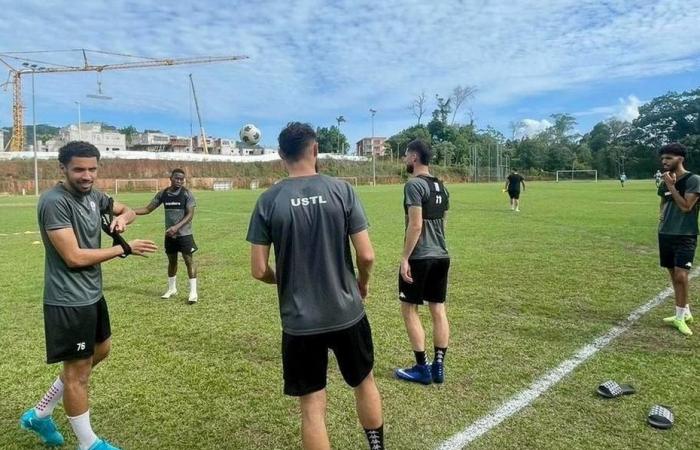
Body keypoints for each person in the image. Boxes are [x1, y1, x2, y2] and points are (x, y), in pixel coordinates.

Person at [246, 122, 384, 450]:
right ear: (315, 149)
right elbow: (366, 255)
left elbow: (258, 269)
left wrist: (286, 276)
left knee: (311, 407)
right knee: (364, 382)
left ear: (281, 155)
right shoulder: (342, 190)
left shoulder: (268, 200)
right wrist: (361, 284)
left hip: (299, 321)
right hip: (347, 311)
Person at [20, 141, 157, 450]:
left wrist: (122, 219)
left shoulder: (94, 196)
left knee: (101, 350)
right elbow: (74, 257)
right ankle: (88, 444)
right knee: (77, 373)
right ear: (63, 169)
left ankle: (40, 413)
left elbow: (127, 209)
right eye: (79, 169)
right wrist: (124, 247)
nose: (86, 176)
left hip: (91, 294)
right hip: (67, 300)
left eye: (92, 169)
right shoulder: (55, 201)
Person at [395, 139, 451, 385]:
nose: (405, 159)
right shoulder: (441, 186)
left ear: (415, 157)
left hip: (421, 257)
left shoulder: (414, 185)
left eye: (407, 155)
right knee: (438, 309)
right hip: (441, 255)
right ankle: (439, 365)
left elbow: (416, 224)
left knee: (409, 309)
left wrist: (405, 257)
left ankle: (421, 368)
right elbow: (444, 222)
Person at [134, 168, 199, 304]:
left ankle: (193, 292)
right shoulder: (163, 194)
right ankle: (172, 289)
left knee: (188, 260)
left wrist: (176, 227)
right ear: (171, 178)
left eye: (182, 179)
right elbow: (148, 209)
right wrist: (129, 212)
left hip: (184, 235)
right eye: (177, 178)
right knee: (172, 261)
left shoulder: (187, 194)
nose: (179, 181)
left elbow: (190, 215)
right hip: (170, 236)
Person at [657, 143, 699, 336]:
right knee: (674, 276)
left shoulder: (693, 180)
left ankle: (680, 318)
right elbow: (663, 202)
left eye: (669, 158)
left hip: (685, 234)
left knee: (682, 276)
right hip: (666, 233)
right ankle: (685, 311)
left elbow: (686, 207)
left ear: (680, 159)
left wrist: (672, 186)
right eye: (663, 158)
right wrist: (661, 217)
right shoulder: (664, 181)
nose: (664, 161)